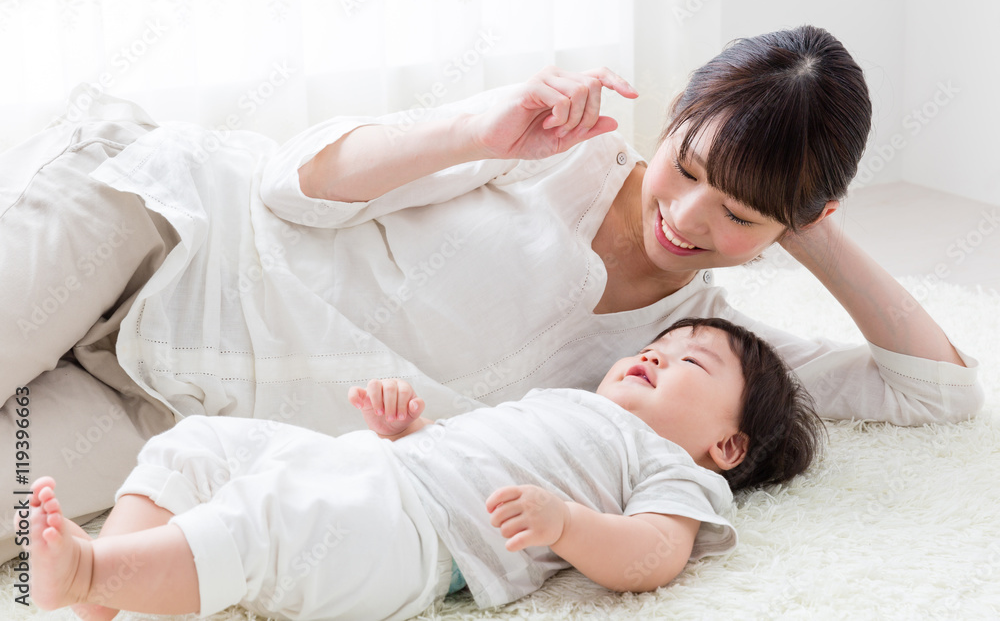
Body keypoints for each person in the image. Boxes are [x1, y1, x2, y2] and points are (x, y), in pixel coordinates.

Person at [0, 25, 984, 563]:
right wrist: (476, 127)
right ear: (676, 113)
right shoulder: (552, 149)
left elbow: (933, 392)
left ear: (793, 224)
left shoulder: (687, 357)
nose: (686, 218)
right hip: (155, 231)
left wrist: (809, 222)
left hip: (159, 409)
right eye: (689, 166)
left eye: (740, 216)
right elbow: (282, 187)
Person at [28, 317, 823, 621]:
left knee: (272, 522)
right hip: (379, 468)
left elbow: (659, 552)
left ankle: (95, 569)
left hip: (420, 540)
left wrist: (569, 525)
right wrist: (413, 429)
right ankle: (100, 606)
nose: (657, 352)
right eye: (658, 342)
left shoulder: (669, 465)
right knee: (201, 444)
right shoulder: (569, 404)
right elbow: (471, 449)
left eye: (692, 361)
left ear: (726, 445)